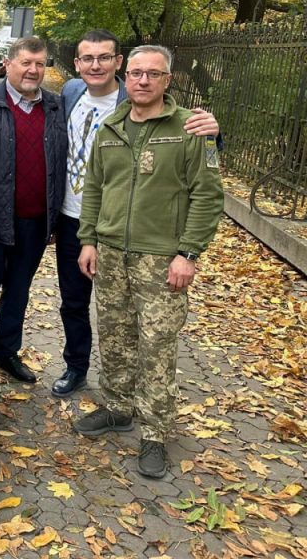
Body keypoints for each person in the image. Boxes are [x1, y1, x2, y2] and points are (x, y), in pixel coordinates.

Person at [74, 45, 224, 479]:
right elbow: (95, 188)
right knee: (116, 336)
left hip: (162, 261)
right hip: (112, 256)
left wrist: (188, 253)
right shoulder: (110, 128)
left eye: (152, 74)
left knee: (157, 348)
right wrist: (88, 240)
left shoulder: (194, 130)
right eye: (136, 73)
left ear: (167, 80)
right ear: (127, 76)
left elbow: (208, 194)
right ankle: (118, 408)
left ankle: (156, 432)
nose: (141, 81)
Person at [53, 30, 219, 398]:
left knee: (147, 328)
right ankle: (77, 367)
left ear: (119, 63)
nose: (95, 65)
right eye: (87, 59)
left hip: (144, 240)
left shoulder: (138, 101)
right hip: (76, 220)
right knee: (77, 303)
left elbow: (201, 166)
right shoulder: (69, 93)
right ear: (78, 64)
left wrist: (214, 136)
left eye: (104, 58)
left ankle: (150, 406)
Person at [0, 37, 67, 402]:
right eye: (25, 63)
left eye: (39, 64)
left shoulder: (56, 108)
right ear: (7, 64)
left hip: (36, 221)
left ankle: (5, 351)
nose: (33, 70)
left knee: (18, 292)